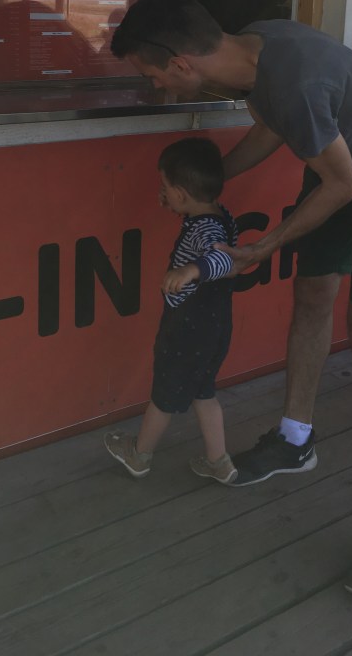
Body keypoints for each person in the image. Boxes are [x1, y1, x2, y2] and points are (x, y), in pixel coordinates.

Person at [110, 0, 352, 601]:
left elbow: (343, 183)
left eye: (153, 76)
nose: (156, 88)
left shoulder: (295, 81)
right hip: (339, 173)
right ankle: (295, 438)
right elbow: (272, 127)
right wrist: (209, 186)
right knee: (311, 296)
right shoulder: (256, 47)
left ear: (181, 63)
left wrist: (267, 244)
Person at [104, 136, 240, 486]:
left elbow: (223, 260)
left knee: (164, 396)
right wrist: (178, 205)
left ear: (181, 193)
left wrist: (191, 270)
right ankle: (219, 461)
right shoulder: (220, 216)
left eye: (165, 187)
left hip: (186, 329)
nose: (162, 192)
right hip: (216, 327)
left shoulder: (205, 230)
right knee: (203, 392)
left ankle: (139, 455)